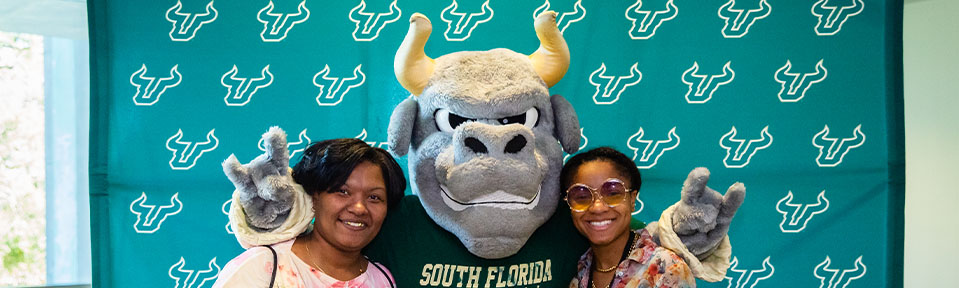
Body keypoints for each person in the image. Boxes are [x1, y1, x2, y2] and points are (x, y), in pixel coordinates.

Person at [213, 138, 405, 287]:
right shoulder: (263, 267)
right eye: (343, 192)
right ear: (315, 197)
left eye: (374, 198)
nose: (359, 208)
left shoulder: (382, 281)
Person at [561, 147, 696, 288]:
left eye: (613, 194)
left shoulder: (666, 269)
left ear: (632, 200)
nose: (597, 207)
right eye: (582, 196)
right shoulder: (579, 273)